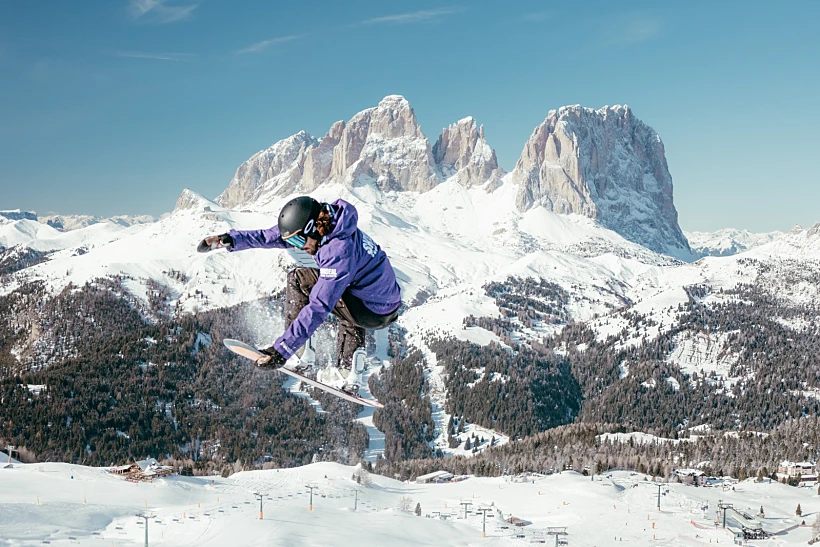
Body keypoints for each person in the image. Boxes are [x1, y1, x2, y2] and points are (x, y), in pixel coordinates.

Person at [198, 196, 401, 393]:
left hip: (369, 309)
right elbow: (271, 236)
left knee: (300, 279)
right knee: (343, 295)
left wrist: (283, 350)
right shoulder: (334, 223)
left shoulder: (338, 251)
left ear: (312, 228)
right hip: (383, 305)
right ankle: (348, 372)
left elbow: (318, 307)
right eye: (292, 241)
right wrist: (229, 240)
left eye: (298, 240)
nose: (299, 247)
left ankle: (300, 352)